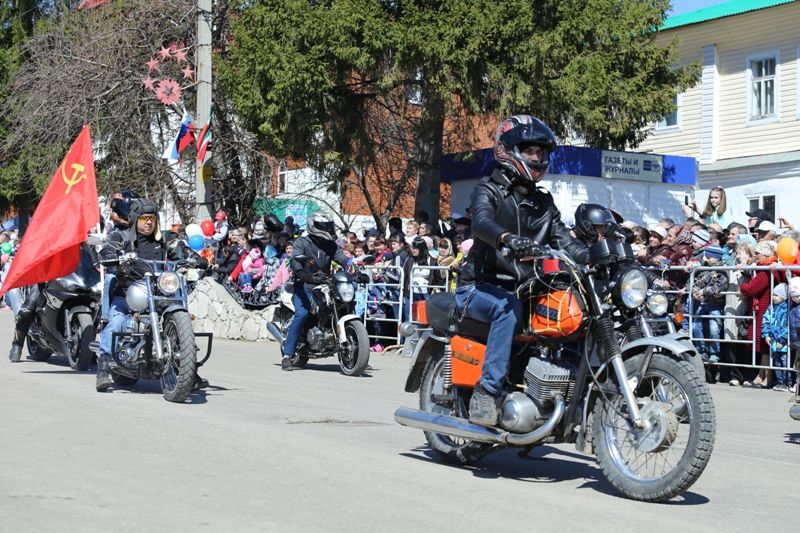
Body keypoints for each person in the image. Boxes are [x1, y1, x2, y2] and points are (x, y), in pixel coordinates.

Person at [456, 115, 589, 426]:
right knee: (508, 310)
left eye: (542, 153)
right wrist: (506, 238)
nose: (538, 158)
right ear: (509, 151)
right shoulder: (487, 191)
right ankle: (486, 393)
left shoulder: (544, 203)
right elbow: (482, 223)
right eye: (530, 151)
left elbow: (565, 241)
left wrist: (596, 256)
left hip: (526, 288)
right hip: (479, 287)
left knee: (576, 310)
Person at [96, 199, 208, 391]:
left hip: (157, 293)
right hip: (128, 294)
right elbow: (109, 248)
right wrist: (109, 255)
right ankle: (104, 367)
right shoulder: (121, 236)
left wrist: (194, 257)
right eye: (144, 218)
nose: (149, 222)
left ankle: (188, 370)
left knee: (177, 316)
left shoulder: (163, 238)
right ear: (134, 219)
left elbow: (178, 247)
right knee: (116, 322)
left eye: (152, 218)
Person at [280, 212, 351, 371]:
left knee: (342, 305)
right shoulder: (302, 242)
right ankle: (287, 355)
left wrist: (357, 271)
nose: (328, 229)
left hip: (325, 285)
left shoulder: (331, 245)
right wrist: (306, 275)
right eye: (324, 226)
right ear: (314, 226)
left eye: (329, 226)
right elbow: (295, 261)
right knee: (302, 314)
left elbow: (344, 259)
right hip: (304, 285)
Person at [763, 283, 791, 392]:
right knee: (777, 362)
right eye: (773, 295)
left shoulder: (788, 310)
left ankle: (786, 382)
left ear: (783, 297)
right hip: (773, 341)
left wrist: (783, 339)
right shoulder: (771, 308)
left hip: (783, 343)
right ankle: (779, 382)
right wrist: (766, 335)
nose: (773, 297)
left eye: (776, 295)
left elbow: (789, 326)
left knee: (785, 361)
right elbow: (766, 321)